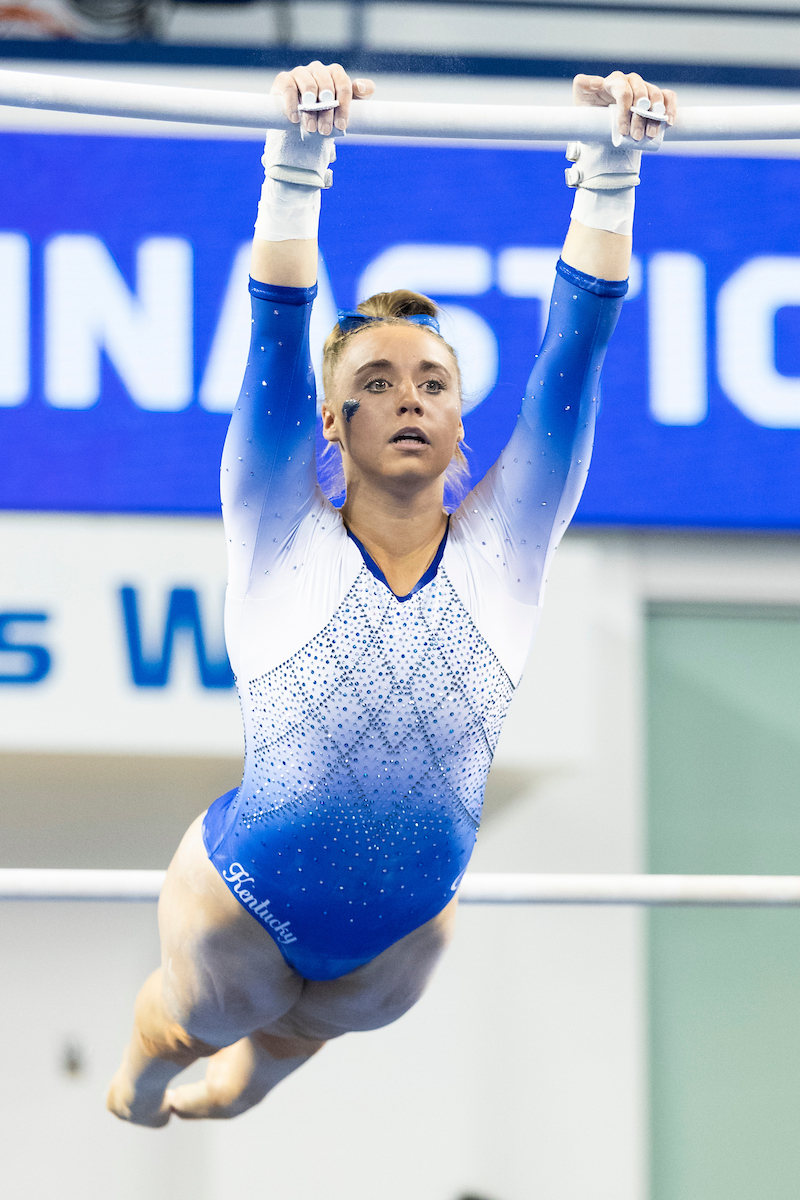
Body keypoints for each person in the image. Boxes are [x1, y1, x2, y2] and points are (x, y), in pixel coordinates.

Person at [107, 62, 676, 1126]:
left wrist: (612, 167)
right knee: (188, 1026)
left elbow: (575, 352)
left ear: (461, 420)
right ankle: (138, 1084)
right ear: (330, 423)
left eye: (430, 384)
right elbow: (279, 326)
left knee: (294, 1035)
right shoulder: (279, 527)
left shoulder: (507, 548)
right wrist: (300, 151)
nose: (405, 400)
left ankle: (250, 1080)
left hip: (403, 932)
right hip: (241, 901)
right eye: (372, 384)